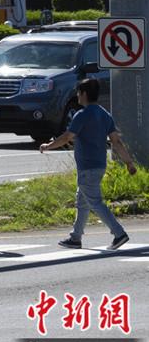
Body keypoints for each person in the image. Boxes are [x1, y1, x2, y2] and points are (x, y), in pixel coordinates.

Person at [40, 78, 135, 250]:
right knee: (82, 201)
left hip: (88, 167)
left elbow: (67, 136)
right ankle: (75, 237)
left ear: (83, 94)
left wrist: (48, 146)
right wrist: (128, 162)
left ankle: (119, 233)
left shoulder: (82, 115)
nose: (77, 95)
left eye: (78, 92)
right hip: (99, 165)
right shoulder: (104, 114)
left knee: (94, 202)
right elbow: (116, 141)